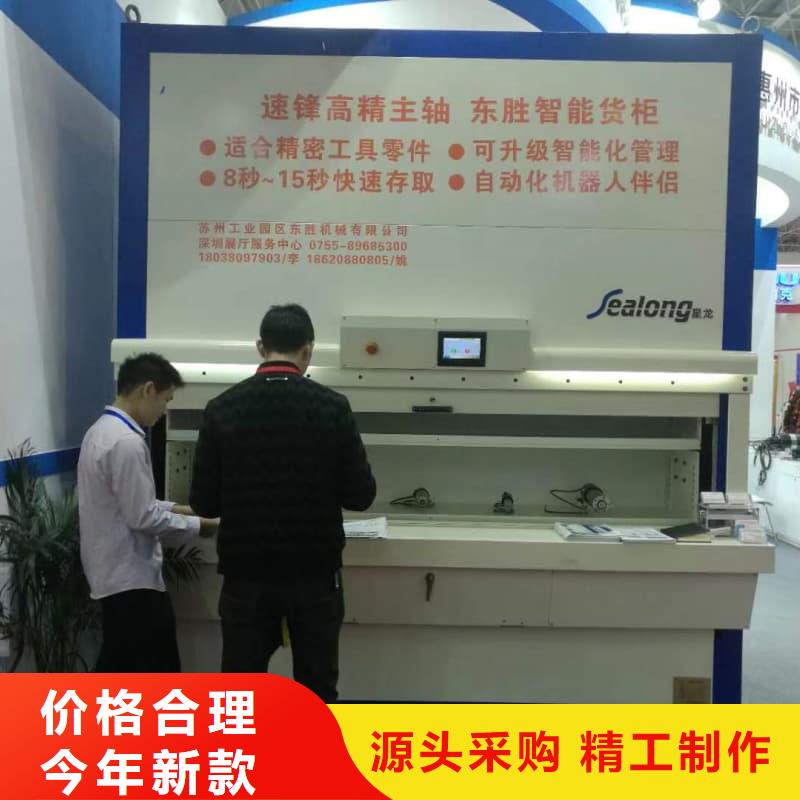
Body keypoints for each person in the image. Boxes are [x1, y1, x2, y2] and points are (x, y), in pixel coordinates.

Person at [190, 303, 376, 701]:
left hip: (245, 577)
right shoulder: (332, 407)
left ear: (261, 347)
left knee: (240, 694)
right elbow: (361, 496)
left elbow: (204, 504)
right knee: (317, 690)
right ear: (308, 350)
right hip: (315, 576)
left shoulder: (221, 409)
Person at [78, 353, 218, 672]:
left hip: (113, 576)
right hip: (131, 580)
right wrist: (201, 525)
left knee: (121, 666)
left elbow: (133, 503)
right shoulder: (126, 442)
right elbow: (143, 517)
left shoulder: (101, 432)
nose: (164, 411)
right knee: (156, 670)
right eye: (165, 400)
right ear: (148, 389)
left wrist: (185, 509)